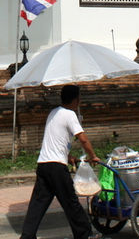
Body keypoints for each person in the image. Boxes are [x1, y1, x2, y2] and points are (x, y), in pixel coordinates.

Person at [20, 84, 102, 239]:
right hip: (57, 167)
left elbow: (56, 140)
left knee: (38, 203)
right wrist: (93, 157)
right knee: (71, 202)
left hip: (43, 164)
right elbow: (83, 139)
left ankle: (27, 236)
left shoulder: (53, 112)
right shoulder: (70, 115)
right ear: (76, 99)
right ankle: (85, 235)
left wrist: (69, 156)